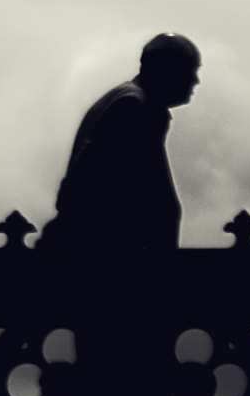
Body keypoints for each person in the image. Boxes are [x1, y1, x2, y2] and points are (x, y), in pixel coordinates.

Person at [40, 33, 200, 252]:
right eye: (189, 70)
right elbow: (90, 184)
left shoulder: (131, 102)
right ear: (167, 70)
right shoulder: (134, 108)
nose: (195, 80)